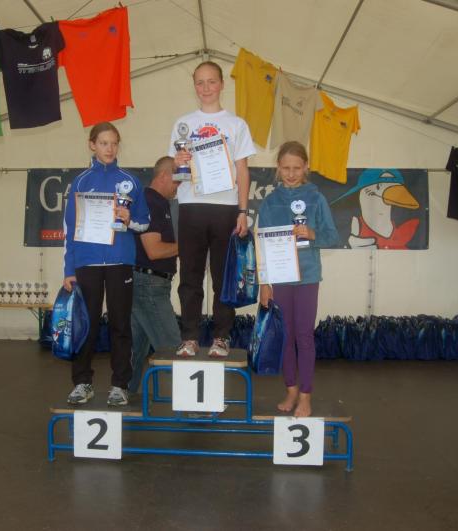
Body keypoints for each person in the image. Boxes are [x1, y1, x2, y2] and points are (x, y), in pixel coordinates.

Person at [168, 61, 256, 358]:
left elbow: (242, 171)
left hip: (226, 208)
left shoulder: (236, 124)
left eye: (211, 81)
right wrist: (178, 162)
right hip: (191, 206)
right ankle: (189, 337)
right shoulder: (183, 124)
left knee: (223, 278)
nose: (206, 88)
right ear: (194, 86)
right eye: (200, 82)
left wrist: (242, 211)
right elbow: (176, 173)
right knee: (190, 276)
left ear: (222, 84)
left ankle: (221, 337)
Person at [62, 122, 150, 406]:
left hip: (119, 261)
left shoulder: (131, 181)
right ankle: (82, 383)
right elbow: (69, 230)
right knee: (84, 324)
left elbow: (144, 223)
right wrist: (69, 270)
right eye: (103, 143)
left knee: (120, 324)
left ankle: (120, 385)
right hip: (86, 263)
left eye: (113, 143)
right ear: (92, 145)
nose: (109, 149)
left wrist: (129, 220)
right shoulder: (80, 182)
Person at [257, 142, 339, 417]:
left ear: (306, 167)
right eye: (286, 168)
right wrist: (264, 284)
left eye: (296, 168)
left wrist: (312, 234)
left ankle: (305, 396)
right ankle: (291, 390)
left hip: (307, 277)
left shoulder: (317, 199)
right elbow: (262, 246)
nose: (291, 174)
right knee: (286, 337)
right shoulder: (269, 202)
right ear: (277, 168)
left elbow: (332, 236)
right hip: (280, 279)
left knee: (304, 336)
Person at [128, 156, 182, 394]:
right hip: (149, 285)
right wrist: (188, 246)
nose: (178, 187)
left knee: (135, 350)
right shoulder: (152, 202)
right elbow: (154, 250)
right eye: (177, 181)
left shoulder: (158, 203)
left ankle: (123, 392)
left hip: (145, 283)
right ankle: (194, 404)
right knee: (173, 348)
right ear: (164, 175)